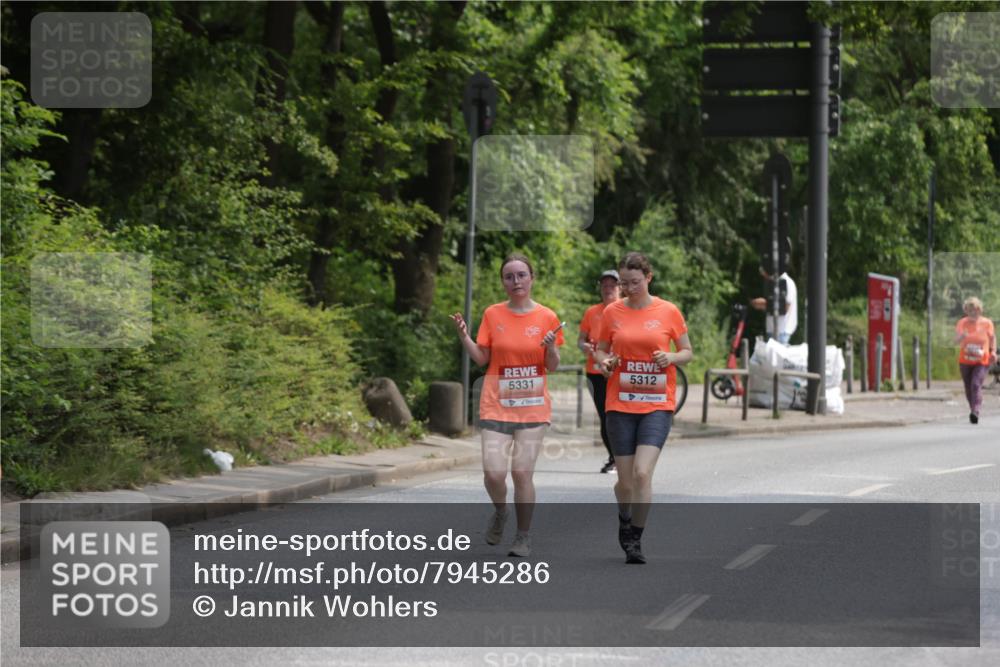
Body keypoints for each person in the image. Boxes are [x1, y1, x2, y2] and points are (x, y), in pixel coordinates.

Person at [452, 253, 564, 558]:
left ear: (532, 278)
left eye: (521, 275)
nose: (516, 281)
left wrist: (551, 347)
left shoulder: (547, 317)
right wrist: (464, 337)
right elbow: (482, 358)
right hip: (496, 404)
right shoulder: (493, 314)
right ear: (503, 282)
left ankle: (523, 536)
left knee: (521, 473)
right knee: (493, 474)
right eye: (509, 276)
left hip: (533, 407)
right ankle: (501, 511)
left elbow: (552, 365)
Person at [593, 252, 693, 564]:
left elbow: (687, 351)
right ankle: (624, 517)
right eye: (624, 283)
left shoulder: (668, 311)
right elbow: (600, 350)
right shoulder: (612, 311)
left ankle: (635, 537)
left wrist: (671, 357)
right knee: (625, 482)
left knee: (641, 472)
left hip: (657, 404)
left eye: (635, 282)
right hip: (620, 404)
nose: (629, 288)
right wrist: (604, 362)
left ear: (648, 278)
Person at [578, 269, 621, 473]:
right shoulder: (591, 312)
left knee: (619, 416)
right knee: (605, 416)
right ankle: (614, 458)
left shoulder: (626, 309)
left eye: (612, 285)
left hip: (619, 373)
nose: (608, 289)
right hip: (595, 372)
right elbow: (581, 340)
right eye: (604, 285)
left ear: (620, 288)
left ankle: (625, 457)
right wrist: (584, 346)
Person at [953, 296, 996, 424]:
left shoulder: (987, 323)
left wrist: (993, 352)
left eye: (976, 310)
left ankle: (975, 411)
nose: (973, 312)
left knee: (976, 384)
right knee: (968, 387)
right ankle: (973, 408)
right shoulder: (962, 323)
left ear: (980, 310)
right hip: (965, 361)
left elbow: (992, 338)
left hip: (982, 361)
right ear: (966, 311)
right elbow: (955, 341)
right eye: (970, 310)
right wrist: (962, 337)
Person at [750, 267, 797, 344]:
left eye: (766, 275)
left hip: (781, 332)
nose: (766, 278)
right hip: (775, 331)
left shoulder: (786, 282)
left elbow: (784, 307)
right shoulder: (776, 283)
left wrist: (763, 304)